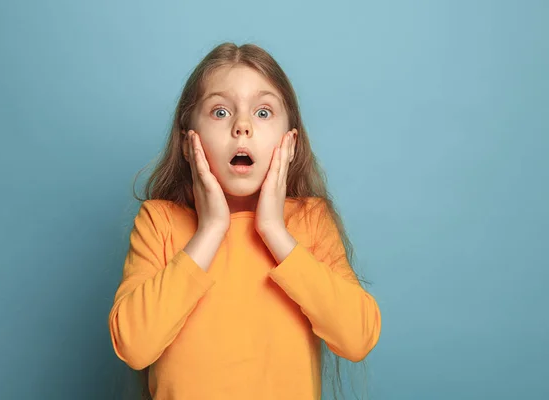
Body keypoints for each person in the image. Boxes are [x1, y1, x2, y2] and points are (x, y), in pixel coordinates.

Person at [108, 42, 381, 400]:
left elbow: (357, 338)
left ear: (291, 143)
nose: (242, 126)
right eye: (220, 112)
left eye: (263, 112)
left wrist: (274, 232)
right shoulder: (159, 222)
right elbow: (134, 345)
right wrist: (209, 231)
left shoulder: (311, 221)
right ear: (188, 141)